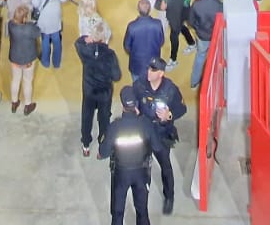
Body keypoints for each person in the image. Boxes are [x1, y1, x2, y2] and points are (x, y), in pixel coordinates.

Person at [135, 56, 187, 216]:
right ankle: (143, 192)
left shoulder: (170, 90)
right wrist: (134, 112)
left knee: (166, 167)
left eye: (153, 70)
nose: (149, 72)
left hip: (162, 134)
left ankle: (169, 197)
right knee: (143, 166)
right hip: (144, 133)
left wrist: (169, 115)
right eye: (149, 68)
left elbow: (182, 108)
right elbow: (133, 102)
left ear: (161, 73)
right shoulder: (139, 85)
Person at [102, 84, 157, 225]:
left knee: (118, 211)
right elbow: (157, 146)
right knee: (142, 211)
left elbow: (104, 152)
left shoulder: (115, 127)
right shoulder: (145, 124)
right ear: (136, 104)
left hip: (121, 173)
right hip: (141, 173)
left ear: (123, 105)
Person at [76, 17, 123, 158]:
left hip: (89, 91)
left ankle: (85, 144)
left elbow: (77, 42)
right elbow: (117, 76)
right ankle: (102, 148)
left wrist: (86, 39)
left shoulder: (85, 51)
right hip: (104, 93)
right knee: (103, 120)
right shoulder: (110, 55)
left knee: (86, 117)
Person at [7, 4, 41, 115]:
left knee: (15, 80)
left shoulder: (11, 25)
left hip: (15, 58)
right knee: (27, 81)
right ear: (25, 18)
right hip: (28, 59)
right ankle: (27, 105)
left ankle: (14, 102)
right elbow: (38, 32)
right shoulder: (29, 28)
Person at [123, 0, 166, 81]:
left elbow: (127, 47)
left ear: (138, 9)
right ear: (149, 9)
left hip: (137, 66)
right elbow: (161, 41)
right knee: (152, 90)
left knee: (138, 90)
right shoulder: (157, 24)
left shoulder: (132, 26)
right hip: (154, 65)